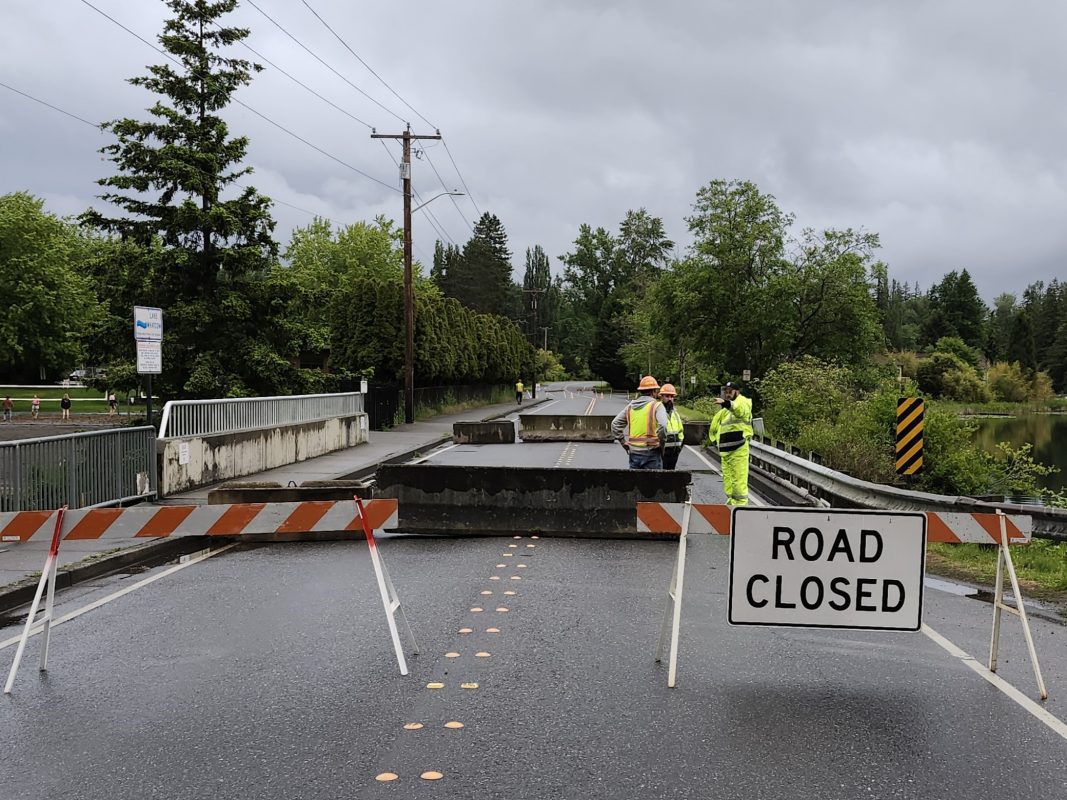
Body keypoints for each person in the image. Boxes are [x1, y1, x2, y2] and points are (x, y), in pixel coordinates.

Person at [708, 381, 754, 505]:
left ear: (737, 391)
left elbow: (740, 410)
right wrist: (714, 441)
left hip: (738, 449)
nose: (727, 394)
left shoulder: (743, 402)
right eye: (726, 392)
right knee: (729, 484)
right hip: (726, 452)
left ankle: (740, 510)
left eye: (730, 392)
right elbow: (715, 426)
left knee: (739, 484)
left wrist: (726, 403)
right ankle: (731, 506)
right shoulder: (725, 411)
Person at [611, 375, 669, 469]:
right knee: (654, 483)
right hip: (652, 453)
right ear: (653, 391)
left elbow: (615, 424)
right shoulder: (657, 406)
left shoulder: (631, 406)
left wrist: (623, 442)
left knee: (636, 483)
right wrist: (662, 446)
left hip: (634, 453)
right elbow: (663, 426)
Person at [658, 384, 685, 470]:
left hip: (674, 452)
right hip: (662, 453)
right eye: (667, 396)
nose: (670, 399)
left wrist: (679, 447)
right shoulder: (658, 412)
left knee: (671, 477)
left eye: (672, 396)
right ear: (661, 397)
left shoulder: (675, 413)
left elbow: (681, 431)